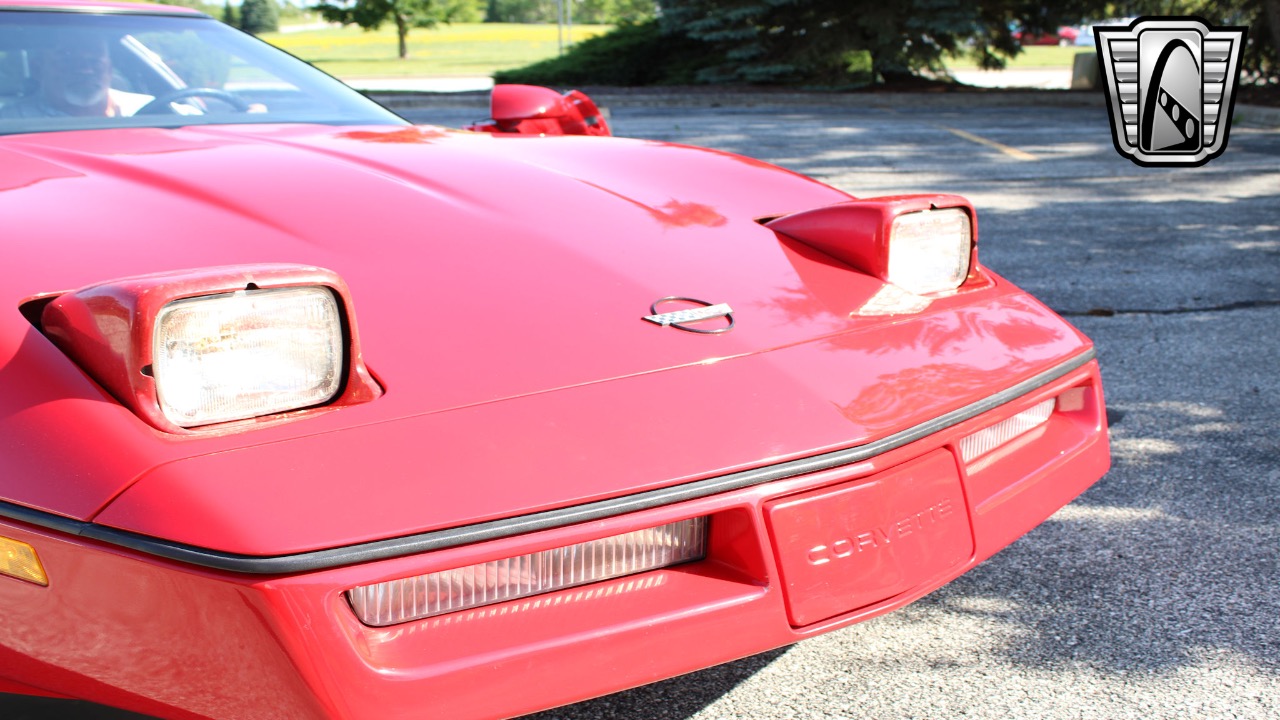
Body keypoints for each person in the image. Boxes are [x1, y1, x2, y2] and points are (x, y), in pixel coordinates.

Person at [0, 31, 155, 119]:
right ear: (38, 70)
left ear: (109, 68)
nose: (85, 70)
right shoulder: (11, 121)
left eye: (94, 60)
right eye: (68, 60)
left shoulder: (150, 109)